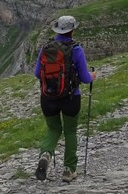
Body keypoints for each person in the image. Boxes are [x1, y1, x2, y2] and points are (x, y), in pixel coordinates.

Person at [33, 15, 97, 182]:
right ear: (72, 30)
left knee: (53, 129)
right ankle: (69, 170)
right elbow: (84, 77)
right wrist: (92, 76)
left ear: (58, 30)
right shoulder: (76, 49)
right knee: (70, 131)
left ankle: (45, 154)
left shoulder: (46, 47)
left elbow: (36, 73)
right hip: (70, 97)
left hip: (48, 97)